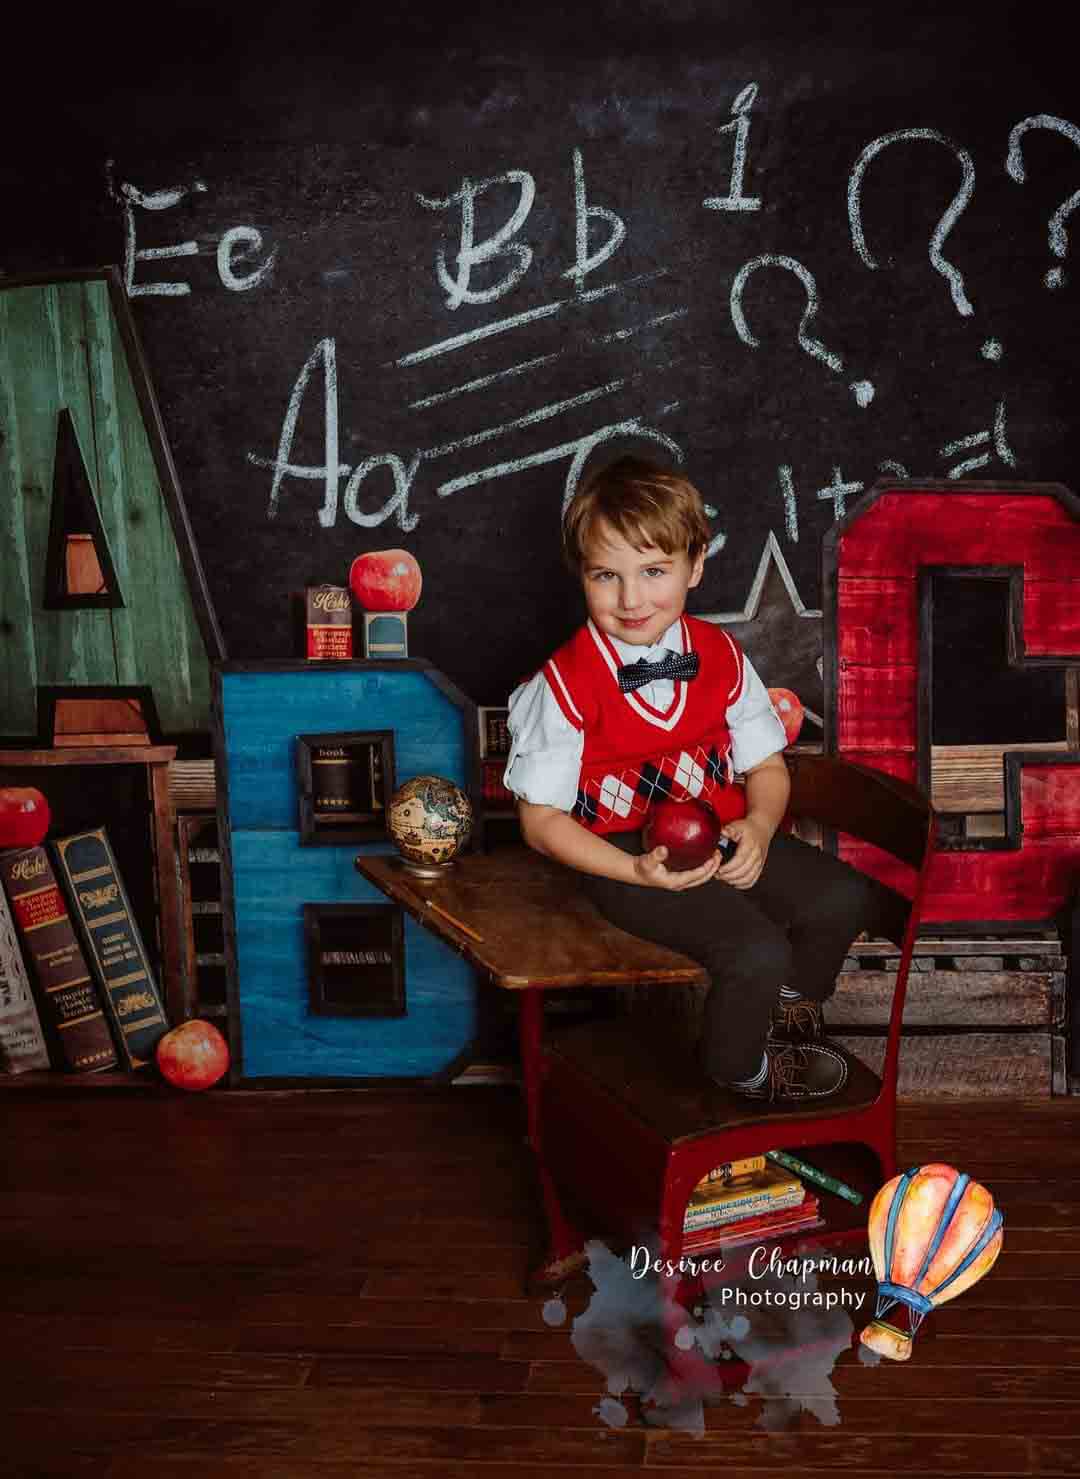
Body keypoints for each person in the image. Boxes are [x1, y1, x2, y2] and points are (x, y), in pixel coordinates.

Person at [502, 455, 909, 1102]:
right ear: (581, 574)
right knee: (754, 948)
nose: (631, 599)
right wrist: (635, 872)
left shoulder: (720, 656)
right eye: (606, 575)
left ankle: (772, 1014)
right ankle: (739, 1071)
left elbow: (767, 768)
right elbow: (540, 822)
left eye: (653, 571)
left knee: (842, 899)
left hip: (724, 831)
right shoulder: (564, 685)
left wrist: (759, 823)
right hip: (626, 855)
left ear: (695, 566)